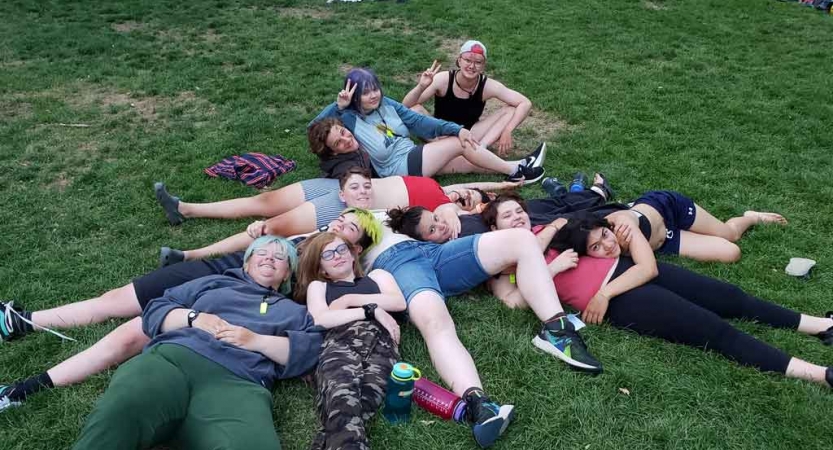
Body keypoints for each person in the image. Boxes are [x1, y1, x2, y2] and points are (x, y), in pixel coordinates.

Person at [0, 209, 381, 411]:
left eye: (350, 232)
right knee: (116, 299)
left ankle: (28, 386)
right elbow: (266, 225)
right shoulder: (318, 226)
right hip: (222, 270)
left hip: (247, 295)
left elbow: (327, 312)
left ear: (358, 248)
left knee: (135, 330)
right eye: (345, 217)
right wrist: (255, 235)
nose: (341, 229)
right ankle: (24, 321)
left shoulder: (323, 270)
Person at [483, 195, 833, 389]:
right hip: (621, 299)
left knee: (730, 297)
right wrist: (552, 270)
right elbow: (514, 302)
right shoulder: (504, 269)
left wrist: (549, 233)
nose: (516, 218)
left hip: (631, 269)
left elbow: (582, 228)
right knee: (712, 330)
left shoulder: (547, 229)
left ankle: (820, 324)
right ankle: (820, 374)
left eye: (518, 211)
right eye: (506, 217)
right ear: (494, 230)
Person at [70, 236, 324, 450]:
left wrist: (256, 341)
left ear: (288, 272)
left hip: (238, 384)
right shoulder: (214, 283)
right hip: (173, 360)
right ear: (247, 263)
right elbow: (156, 308)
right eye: (262, 252)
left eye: (279, 257)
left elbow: (310, 350)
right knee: (120, 411)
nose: (269, 258)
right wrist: (194, 318)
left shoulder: (295, 312)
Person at [311, 68, 545, 183]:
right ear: (353, 95)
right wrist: (337, 106)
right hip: (396, 169)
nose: (373, 95)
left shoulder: (386, 104)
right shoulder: (348, 117)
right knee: (458, 144)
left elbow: (420, 121)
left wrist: (454, 127)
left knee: (464, 163)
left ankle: (521, 165)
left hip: (411, 154)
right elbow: (313, 130)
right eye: (365, 92)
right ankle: (514, 172)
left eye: (375, 88)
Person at [296, 232, 405, 450]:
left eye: (341, 249)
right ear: (321, 268)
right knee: (342, 396)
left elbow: (398, 302)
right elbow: (322, 318)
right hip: (340, 342)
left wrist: (349, 300)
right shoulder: (319, 287)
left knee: (364, 401)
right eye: (328, 254)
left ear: (353, 254)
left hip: (381, 345)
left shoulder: (378, 276)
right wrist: (370, 312)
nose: (337, 256)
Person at [402, 40, 532, 156]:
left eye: (478, 62)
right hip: (440, 132)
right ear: (459, 60)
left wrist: (507, 130)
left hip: (470, 133)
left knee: (510, 110)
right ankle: (444, 148)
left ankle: (481, 148)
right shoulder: (443, 79)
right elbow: (405, 106)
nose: (472, 66)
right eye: (468, 60)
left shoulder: (488, 86)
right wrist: (421, 86)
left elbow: (525, 103)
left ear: (483, 65)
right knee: (415, 109)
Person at [601, 190, 787, 263]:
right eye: (596, 247)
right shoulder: (590, 250)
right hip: (666, 240)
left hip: (667, 208)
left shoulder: (617, 222)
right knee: (731, 253)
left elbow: (648, 269)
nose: (606, 245)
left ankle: (751, 217)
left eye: (603, 237)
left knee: (730, 235)